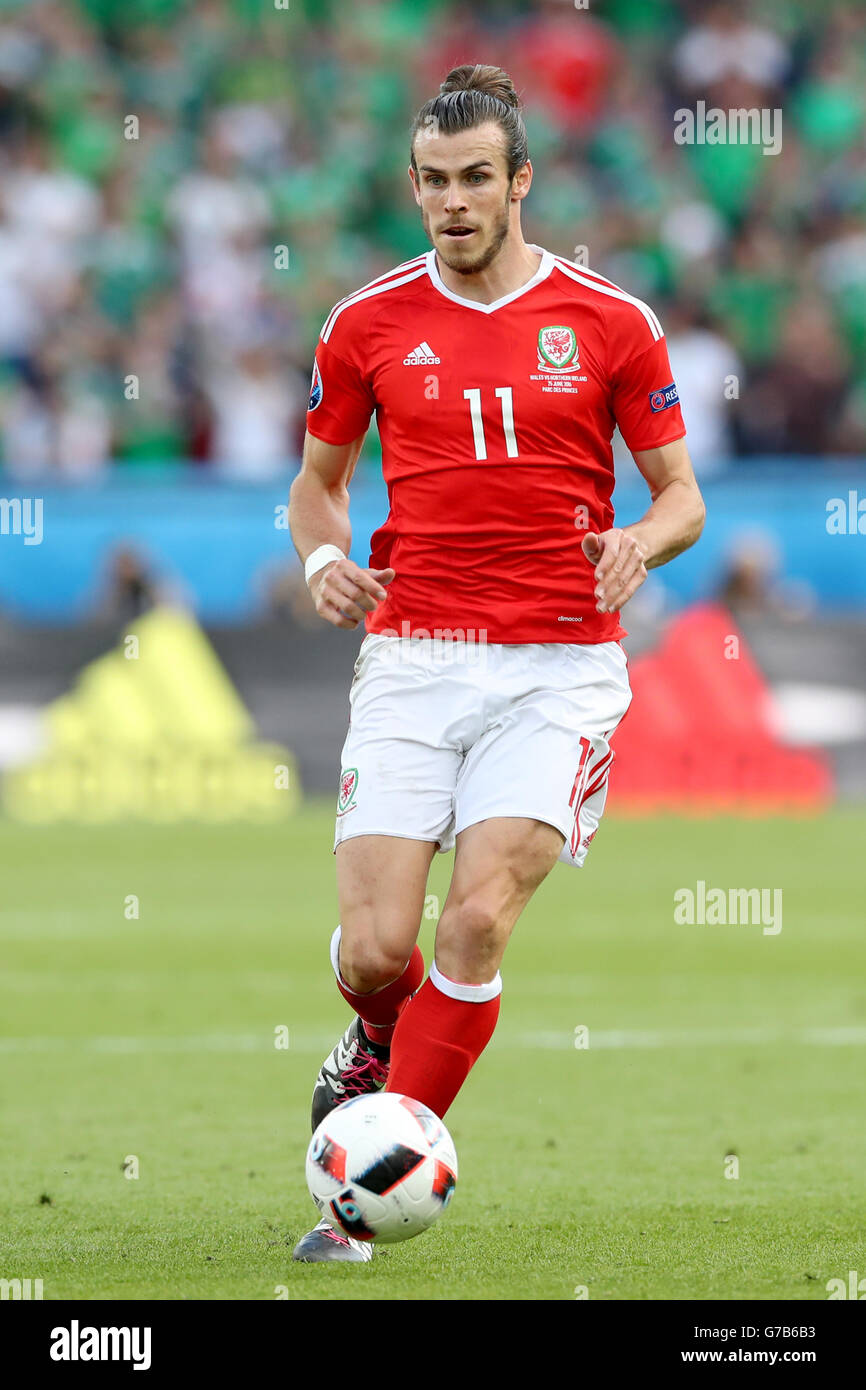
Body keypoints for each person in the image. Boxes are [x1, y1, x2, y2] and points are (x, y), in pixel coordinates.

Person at [288, 64, 705, 1262]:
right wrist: (323, 565)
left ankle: (362, 1195)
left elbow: (681, 497)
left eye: (477, 179)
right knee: (376, 951)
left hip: (556, 668)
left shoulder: (610, 323)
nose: (454, 202)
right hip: (413, 656)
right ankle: (374, 1034)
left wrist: (635, 538)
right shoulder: (364, 324)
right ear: (413, 187)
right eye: (434, 182)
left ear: (520, 181)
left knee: (470, 923)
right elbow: (315, 490)